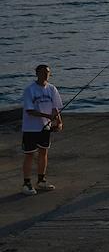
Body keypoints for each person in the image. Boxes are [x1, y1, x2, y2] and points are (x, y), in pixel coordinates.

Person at [22, 64, 63, 196]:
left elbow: (56, 107)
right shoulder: (30, 90)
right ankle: (26, 183)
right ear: (37, 74)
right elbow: (30, 110)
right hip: (31, 128)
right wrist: (47, 116)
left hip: (46, 127)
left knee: (43, 152)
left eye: (48, 72)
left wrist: (59, 121)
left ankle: (41, 180)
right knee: (29, 154)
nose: (45, 74)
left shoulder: (52, 89)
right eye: (43, 72)